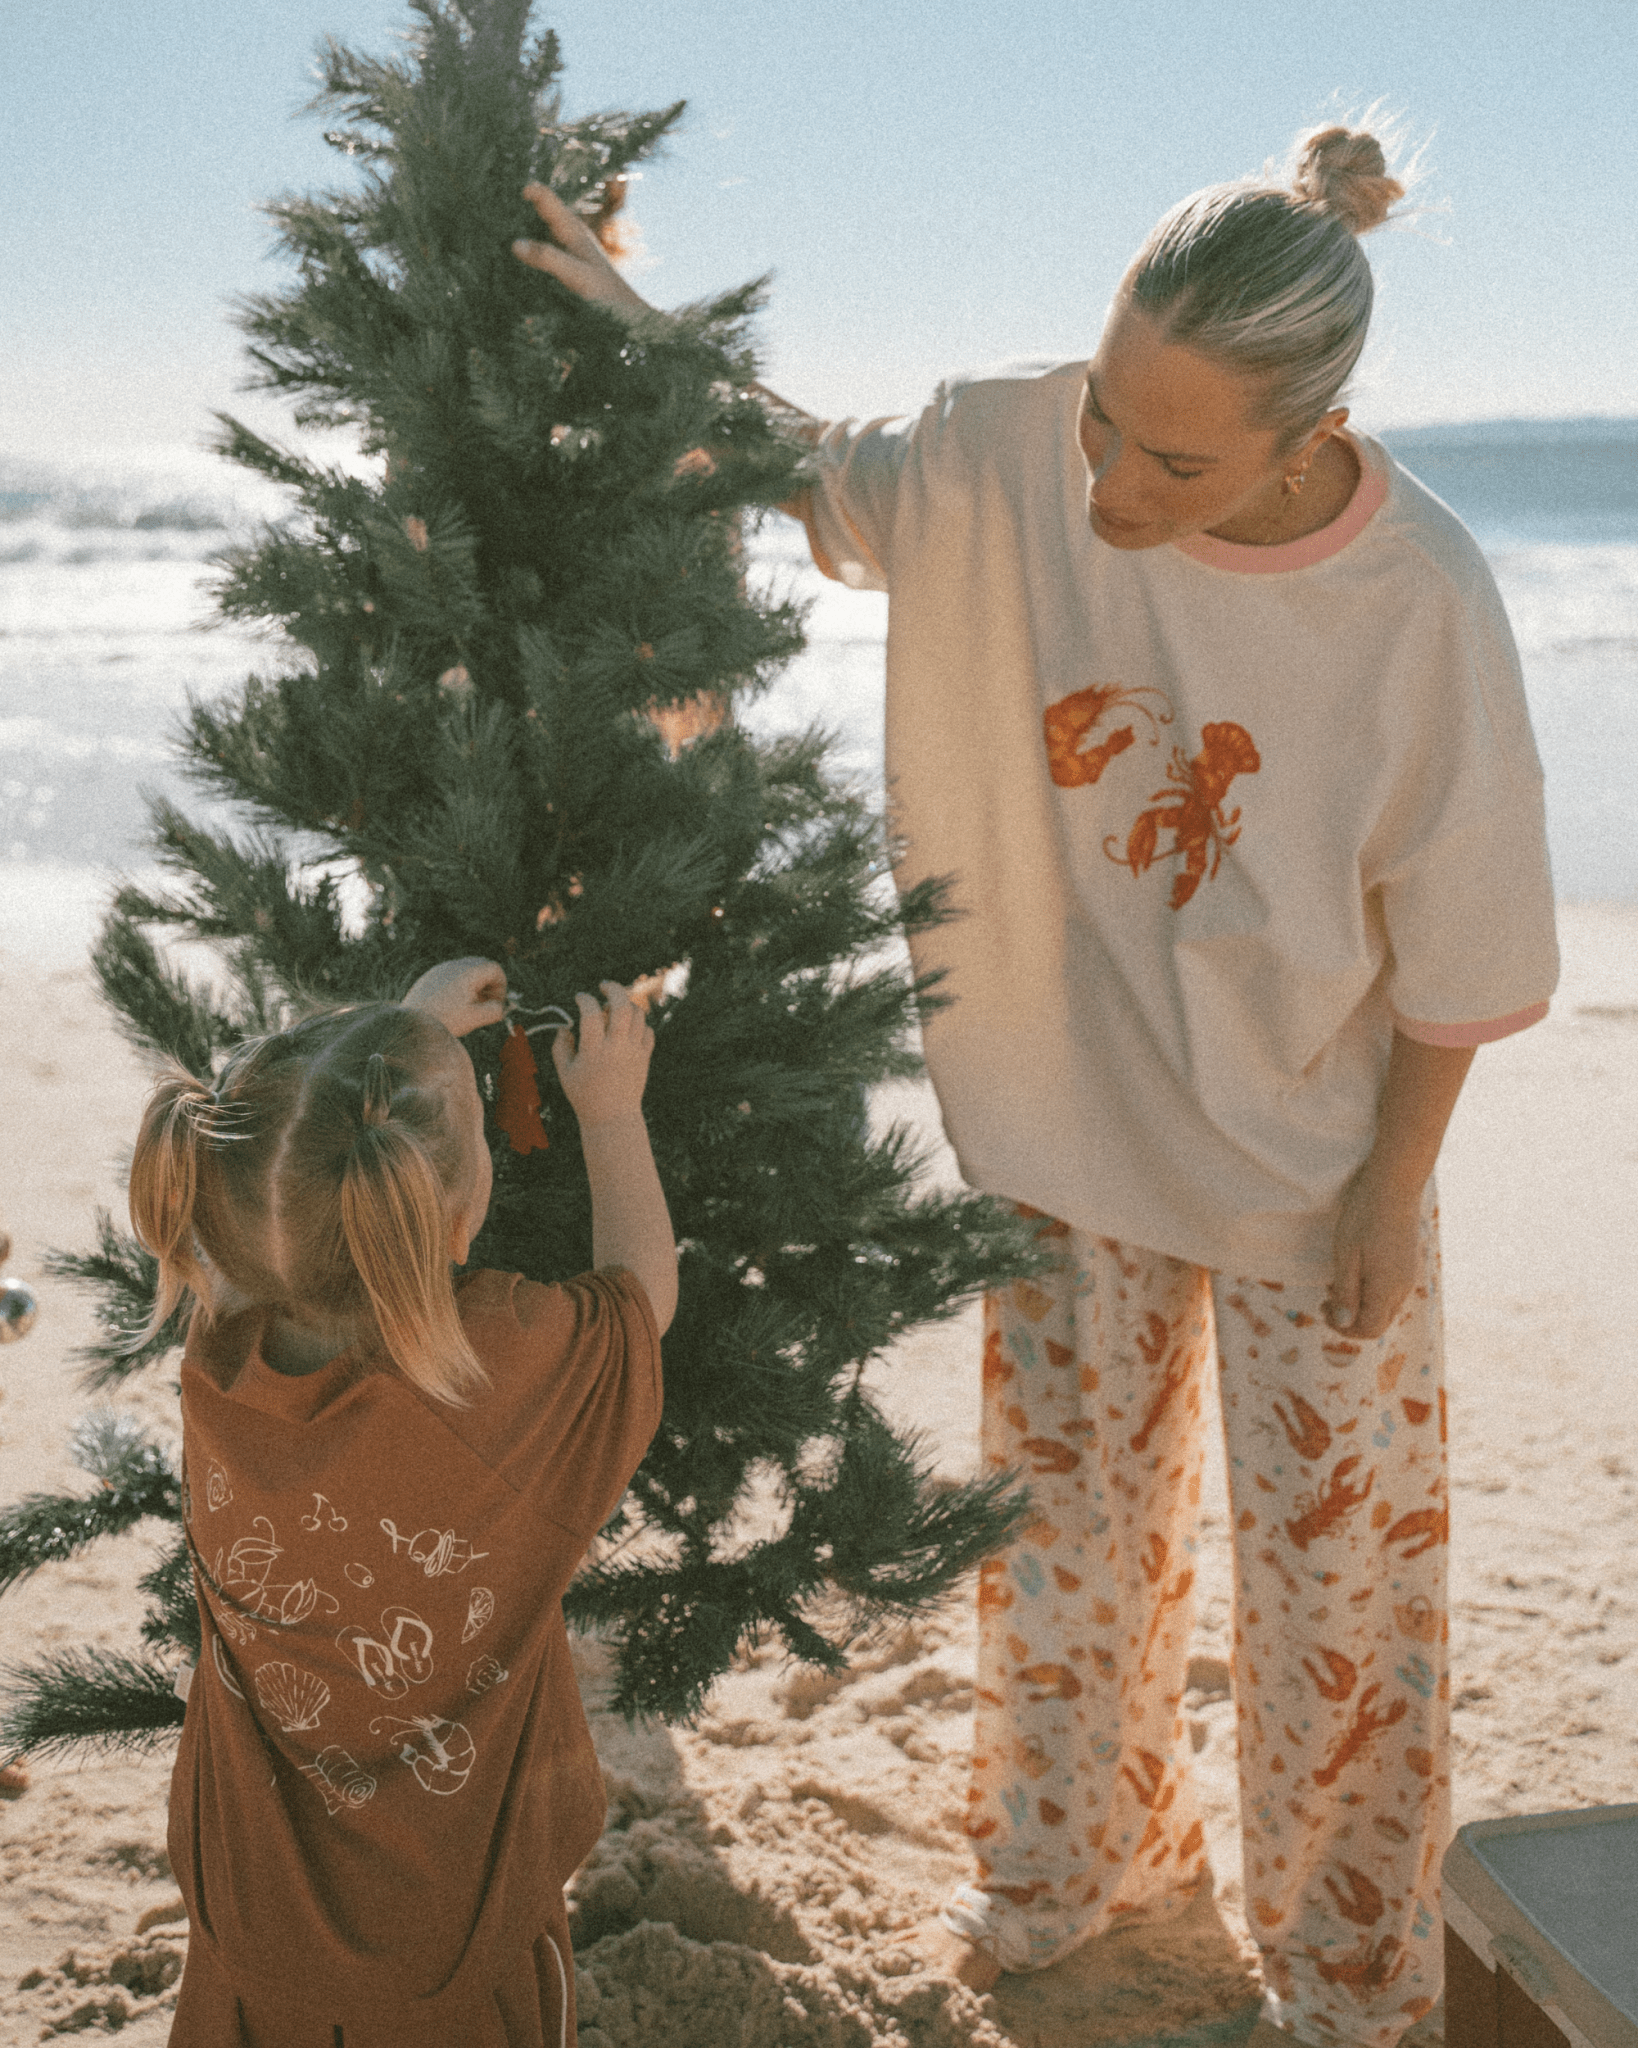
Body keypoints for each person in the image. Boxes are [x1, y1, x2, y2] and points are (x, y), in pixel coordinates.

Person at [513, 122, 1558, 2048]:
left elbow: (1464, 939)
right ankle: (1071, 1866)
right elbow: (800, 467)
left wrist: (1390, 1189)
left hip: (1311, 1157)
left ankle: (1342, 1971)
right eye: (1101, 420)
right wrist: (623, 320)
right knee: (1066, 1543)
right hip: (1060, 1120)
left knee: (1341, 1606)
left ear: (1307, 432)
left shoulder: (1416, 599)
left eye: (1173, 461)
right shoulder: (1006, 455)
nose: (1108, 484)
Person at [138, 958, 675, 2047]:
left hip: (251, 1923)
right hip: (459, 1946)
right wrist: (610, 1114)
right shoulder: (507, 1361)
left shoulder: (219, 1348)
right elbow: (639, 1301)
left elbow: (275, 1188)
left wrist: (408, 1034)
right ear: (464, 1214)